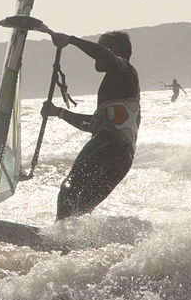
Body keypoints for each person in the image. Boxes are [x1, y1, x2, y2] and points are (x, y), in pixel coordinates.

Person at [41, 31, 140, 220]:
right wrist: (60, 112)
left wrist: (71, 40)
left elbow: (105, 56)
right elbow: (94, 125)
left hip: (108, 143)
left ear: (114, 51)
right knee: (81, 208)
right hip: (123, 157)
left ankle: (58, 237)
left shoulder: (124, 68)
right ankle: (73, 243)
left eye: (101, 47)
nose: (96, 57)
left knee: (68, 189)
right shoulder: (121, 85)